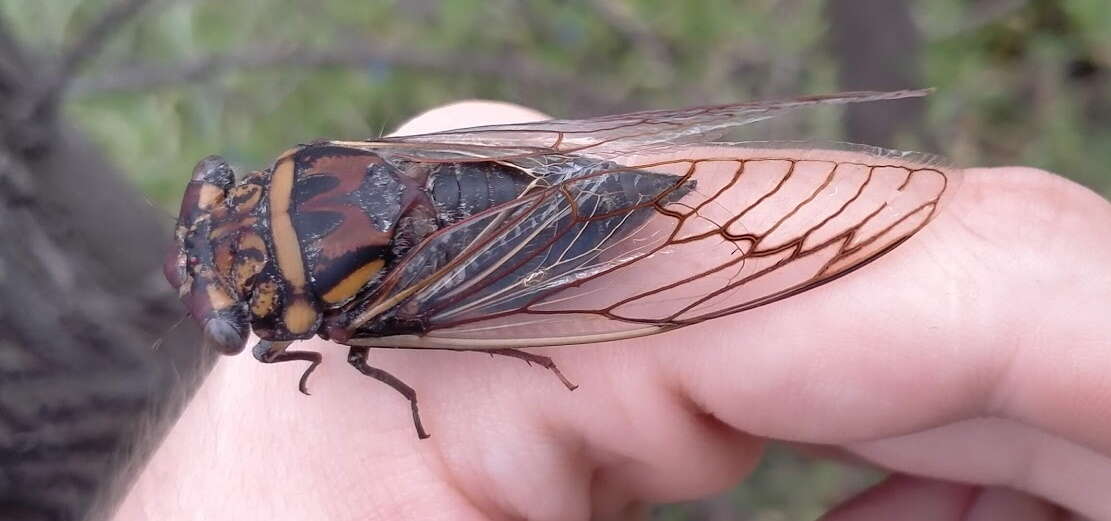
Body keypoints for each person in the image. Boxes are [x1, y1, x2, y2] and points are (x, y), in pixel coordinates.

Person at [110, 101, 1111, 521]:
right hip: (495, 216)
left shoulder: (333, 324)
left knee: (682, 280)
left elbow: (358, 356)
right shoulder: (302, 174)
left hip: (523, 258)